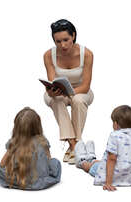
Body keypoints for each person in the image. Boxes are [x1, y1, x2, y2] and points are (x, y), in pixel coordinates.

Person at [74, 105, 131, 191]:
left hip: (114, 176)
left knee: (91, 166)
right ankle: (92, 157)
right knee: (99, 162)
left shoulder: (115, 136)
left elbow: (112, 159)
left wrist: (108, 182)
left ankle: (82, 161)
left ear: (115, 124)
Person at [43, 19, 94, 164]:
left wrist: (69, 93)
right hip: (59, 93)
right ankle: (74, 145)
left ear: (73, 36)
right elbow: (52, 81)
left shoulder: (87, 54)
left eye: (66, 40)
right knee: (56, 100)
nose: (63, 45)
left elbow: (85, 86)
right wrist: (52, 91)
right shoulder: (48, 55)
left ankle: (75, 145)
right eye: (58, 41)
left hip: (81, 91)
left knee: (77, 100)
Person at [0, 107, 61, 190]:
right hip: (41, 181)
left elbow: (2, 164)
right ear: (38, 126)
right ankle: (35, 181)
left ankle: (18, 183)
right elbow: (49, 161)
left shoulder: (13, 142)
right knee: (55, 162)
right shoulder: (43, 141)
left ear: (16, 127)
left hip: (21, 179)